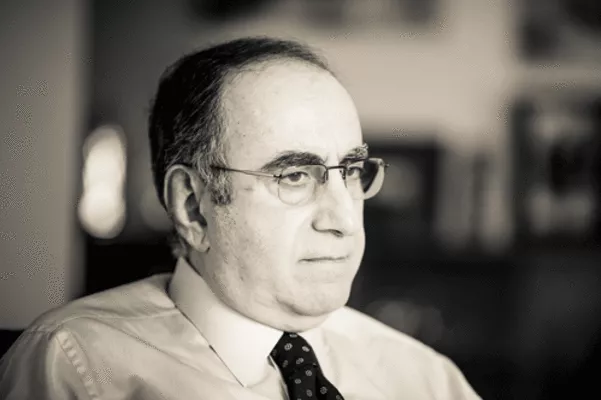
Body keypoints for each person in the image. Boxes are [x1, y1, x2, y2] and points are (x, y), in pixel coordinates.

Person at [0, 36, 481, 399]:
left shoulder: (424, 380)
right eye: (295, 176)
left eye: (351, 171)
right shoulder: (77, 368)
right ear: (193, 206)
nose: (344, 220)